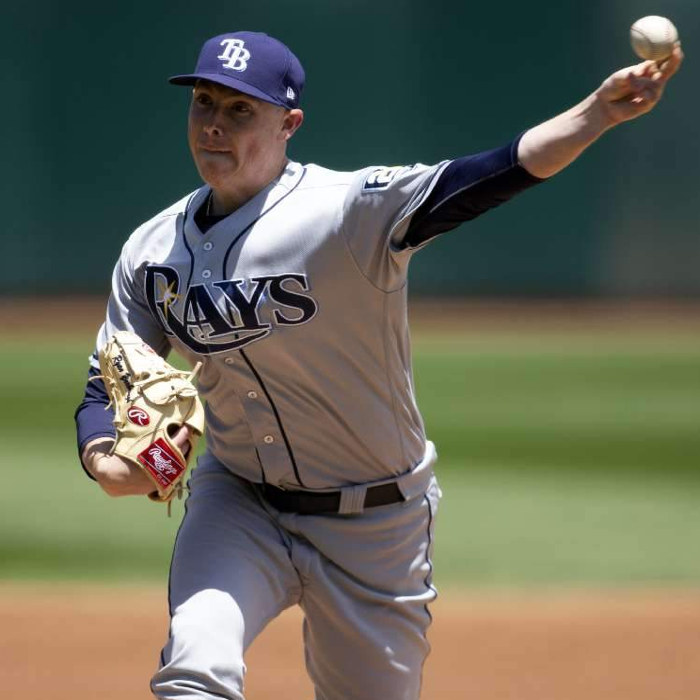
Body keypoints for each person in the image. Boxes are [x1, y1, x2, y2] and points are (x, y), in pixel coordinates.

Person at [75, 30, 682, 700]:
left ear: (288, 124)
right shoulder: (150, 250)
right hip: (237, 503)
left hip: (376, 522)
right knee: (194, 672)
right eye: (204, 103)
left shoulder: (348, 210)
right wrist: (104, 458)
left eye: (240, 109)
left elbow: (490, 173)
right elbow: (106, 379)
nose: (214, 125)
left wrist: (597, 112)